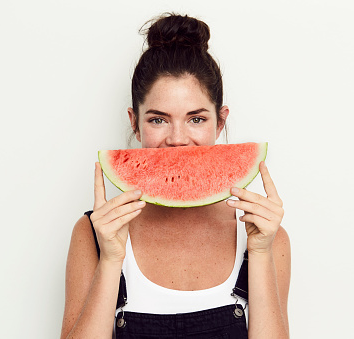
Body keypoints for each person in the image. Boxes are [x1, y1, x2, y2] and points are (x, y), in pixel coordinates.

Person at [60, 13, 291, 339]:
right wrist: (112, 259)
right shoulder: (92, 234)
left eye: (196, 119)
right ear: (134, 122)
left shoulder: (266, 236)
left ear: (220, 122)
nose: (178, 139)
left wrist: (262, 252)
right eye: (158, 120)